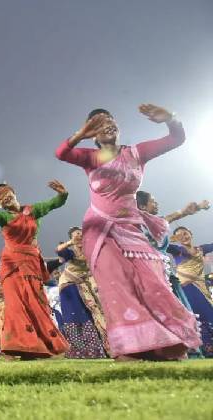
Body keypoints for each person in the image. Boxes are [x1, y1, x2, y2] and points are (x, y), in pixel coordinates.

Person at [55, 105, 201, 360]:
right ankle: (130, 347)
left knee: (153, 284)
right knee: (116, 286)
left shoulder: (136, 153)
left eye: (110, 121)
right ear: (92, 134)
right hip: (100, 231)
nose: (106, 126)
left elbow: (176, 139)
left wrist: (171, 119)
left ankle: (164, 344)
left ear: (118, 127)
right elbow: (62, 153)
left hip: (132, 229)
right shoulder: (91, 158)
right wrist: (80, 134)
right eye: (98, 125)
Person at [0, 180, 70, 359]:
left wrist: (62, 194)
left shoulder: (33, 211)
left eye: (6, 194)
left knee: (35, 302)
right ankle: (22, 345)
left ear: (14, 193)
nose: (4, 199)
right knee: (16, 304)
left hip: (31, 262)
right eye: (0, 199)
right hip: (11, 264)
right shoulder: (3, 217)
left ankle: (40, 345)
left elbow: (55, 203)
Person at [55, 227, 109, 359]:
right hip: (69, 287)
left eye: (81, 233)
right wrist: (70, 243)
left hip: (87, 286)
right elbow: (59, 251)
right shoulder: (71, 251)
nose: (79, 235)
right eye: (76, 234)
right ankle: (78, 351)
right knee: (75, 316)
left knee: (94, 313)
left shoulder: (90, 249)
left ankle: (97, 349)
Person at [168, 227, 213, 356]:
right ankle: (199, 349)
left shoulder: (201, 249)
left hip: (202, 288)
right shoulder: (178, 251)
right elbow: (161, 245)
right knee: (192, 316)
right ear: (177, 239)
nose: (184, 236)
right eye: (179, 236)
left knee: (208, 314)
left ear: (191, 234)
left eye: (185, 233)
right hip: (186, 289)